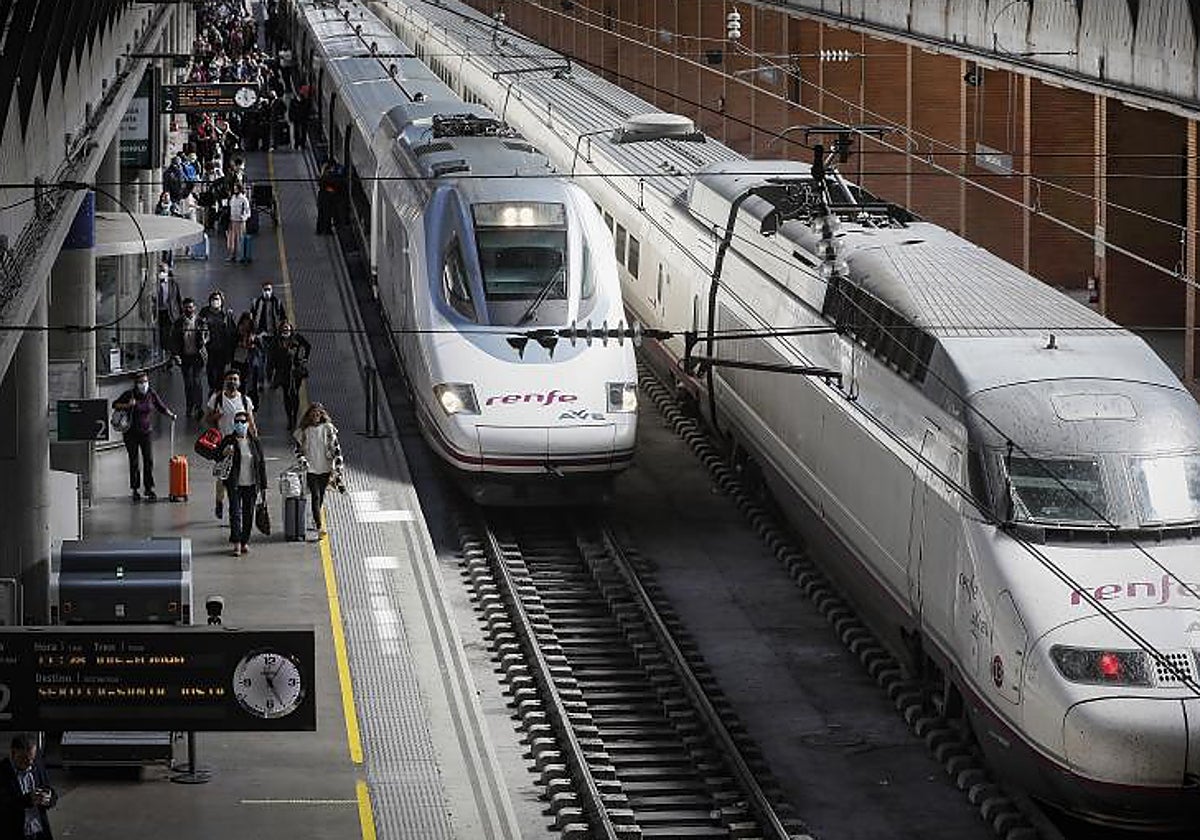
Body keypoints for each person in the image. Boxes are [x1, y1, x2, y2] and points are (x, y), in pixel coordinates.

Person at [111, 372, 176, 501]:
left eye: (145, 381)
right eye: (141, 382)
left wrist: (170, 414)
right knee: (134, 461)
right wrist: (128, 405)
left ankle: (149, 487)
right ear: (136, 384)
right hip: (131, 433)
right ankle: (135, 489)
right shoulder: (129, 394)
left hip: (146, 432)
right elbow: (115, 404)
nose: (144, 384)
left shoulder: (151, 393)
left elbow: (160, 406)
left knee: (148, 460)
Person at [205, 370, 256, 520]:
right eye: (230, 379)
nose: (232, 382)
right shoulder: (217, 399)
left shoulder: (245, 401)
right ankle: (219, 502)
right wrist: (216, 416)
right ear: (225, 381)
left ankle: (235, 510)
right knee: (223, 476)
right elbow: (206, 419)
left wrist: (255, 440)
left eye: (235, 379)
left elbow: (251, 422)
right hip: (224, 444)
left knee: (239, 477)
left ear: (239, 382)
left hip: (242, 444)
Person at [218, 410, 266, 556]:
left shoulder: (255, 442)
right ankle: (237, 543)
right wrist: (224, 452)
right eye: (237, 422)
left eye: (243, 422)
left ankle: (245, 541)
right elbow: (216, 456)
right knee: (235, 513)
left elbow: (261, 464)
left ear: (248, 423)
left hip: (251, 485)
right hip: (234, 484)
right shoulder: (228, 441)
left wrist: (263, 486)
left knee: (248, 514)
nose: (240, 424)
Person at [293, 403, 342, 537]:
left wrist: (338, 468)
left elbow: (336, 448)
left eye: (318, 414)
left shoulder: (328, 429)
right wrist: (302, 460)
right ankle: (319, 525)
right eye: (313, 414)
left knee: (321, 495)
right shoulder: (304, 431)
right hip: (311, 469)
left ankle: (315, 519)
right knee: (316, 496)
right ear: (309, 415)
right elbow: (297, 450)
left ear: (322, 415)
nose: (316, 416)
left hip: (325, 467)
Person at [0, 734, 56, 840]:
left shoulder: (37, 765)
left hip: (40, 832)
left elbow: (50, 790)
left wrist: (49, 798)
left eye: (32, 758)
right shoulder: (3, 772)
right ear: (13, 753)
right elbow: (4, 805)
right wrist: (28, 799)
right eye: (24, 759)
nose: (29, 763)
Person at [169, 298, 206, 419]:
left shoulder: (200, 321)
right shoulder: (178, 323)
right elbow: (173, 340)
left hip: (197, 356)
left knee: (197, 382)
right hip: (185, 357)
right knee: (188, 384)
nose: (188, 310)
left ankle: (199, 407)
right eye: (186, 307)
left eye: (190, 307)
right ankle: (189, 407)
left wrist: (204, 341)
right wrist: (176, 355)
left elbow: (207, 335)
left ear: (194, 308)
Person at [272, 321, 311, 430]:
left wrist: (304, 358)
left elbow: (308, 346)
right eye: (284, 328)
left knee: (295, 393)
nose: (285, 330)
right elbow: (272, 354)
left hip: (295, 371)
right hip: (283, 371)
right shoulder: (277, 340)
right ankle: (290, 417)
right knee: (286, 394)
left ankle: (295, 417)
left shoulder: (296, 338)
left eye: (287, 328)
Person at [198, 290, 236, 392]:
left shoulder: (226, 314)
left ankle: (218, 390)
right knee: (210, 370)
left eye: (217, 299)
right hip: (209, 348)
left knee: (220, 370)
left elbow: (232, 331)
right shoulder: (204, 313)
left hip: (222, 348)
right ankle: (212, 387)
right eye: (213, 299)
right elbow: (199, 327)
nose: (215, 301)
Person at [250, 280, 285, 382]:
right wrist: (254, 333)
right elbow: (252, 318)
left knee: (271, 359)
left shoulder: (277, 303)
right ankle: (260, 381)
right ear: (262, 290)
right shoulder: (256, 302)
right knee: (261, 359)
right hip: (261, 336)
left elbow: (283, 318)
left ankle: (269, 378)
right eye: (265, 290)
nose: (267, 292)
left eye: (269, 289)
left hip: (274, 336)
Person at [229, 312, 264, 408]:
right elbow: (231, 344)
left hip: (251, 362)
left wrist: (253, 343)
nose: (246, 324)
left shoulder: (254, 334)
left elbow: (261, 348)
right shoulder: (237, 333)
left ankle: (252, 403)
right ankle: (240, 402)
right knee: (240, 383)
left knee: (251, 383)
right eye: (244, 321)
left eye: (248, 321)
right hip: (239, 360)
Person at [154, 263, 183, 353]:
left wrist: (181, 313)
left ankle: (170, 352)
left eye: (163, 271)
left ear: (167, 272)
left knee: (170, 333)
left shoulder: (173, 283)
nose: (161, 273)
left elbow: (178, 298)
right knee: (160, 333)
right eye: (160, 271)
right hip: (159, 312)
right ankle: (161, 350)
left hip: (170, 312)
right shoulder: (154, 284)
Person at [227, 182, 251, 262]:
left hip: (240, 222)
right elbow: (231, 209)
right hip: (233, 220)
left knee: (240, 239)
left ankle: (241, 256)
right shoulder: (233, 198)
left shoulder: (243, 199)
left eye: (236, 188)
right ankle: (232, 255)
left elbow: (248, 211)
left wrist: (243, 218)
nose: (235, 190)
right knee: (232, 239)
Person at [316, 160, 338, 234]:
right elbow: (325, 186)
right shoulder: (327, 176)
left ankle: (319, 230)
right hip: (326, 199)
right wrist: (331, 190)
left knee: (321, 215)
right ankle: (326, 230)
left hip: (321, 198)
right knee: (327, 215)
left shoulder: (322, 176)